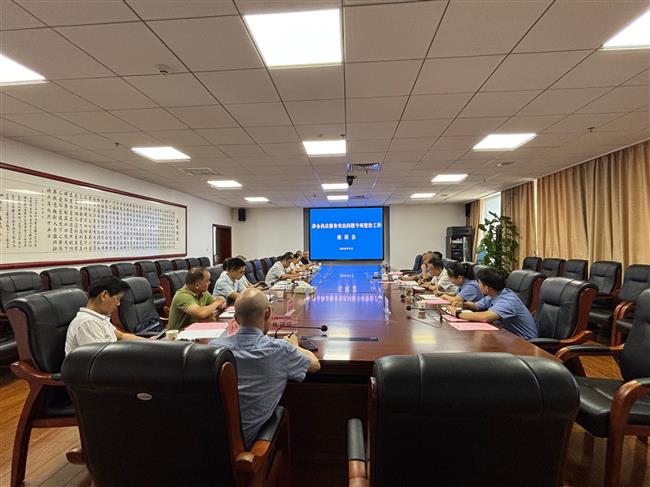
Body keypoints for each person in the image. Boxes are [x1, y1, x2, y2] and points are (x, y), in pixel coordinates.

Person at [210, 288, 320, 448]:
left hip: (212, 443)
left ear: (236, 319)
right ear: (267, 312)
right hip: (251, 447)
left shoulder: (215, 348)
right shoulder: (281, 349)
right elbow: (315, 365)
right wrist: (294, 345)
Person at [448, 266, 538, 340]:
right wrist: (463, 304)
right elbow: (476, 306)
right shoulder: (494, 294)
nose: (478, 285)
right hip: (507, 335)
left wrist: (457, 313)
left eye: (479, 283)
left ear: (487, 288)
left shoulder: (507, 300)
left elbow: (485, 317)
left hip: (524, 342)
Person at [65, 276, 143, 355]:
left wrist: (148, 342)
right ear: (104, 295)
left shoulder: (99, 317)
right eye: (118, 299)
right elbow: (99, 359)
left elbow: (122, 336)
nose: (118, 304)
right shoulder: (88, 323)